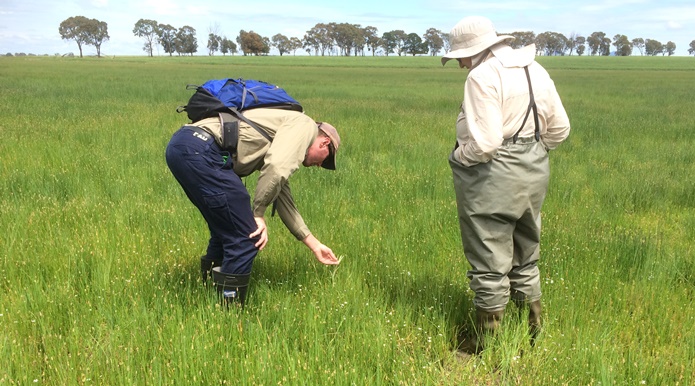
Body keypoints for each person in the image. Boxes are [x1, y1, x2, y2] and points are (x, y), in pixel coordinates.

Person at [442, 16, 570, 352]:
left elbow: (486, 143)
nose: (460, 64)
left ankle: (484, 342)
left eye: (461, 57)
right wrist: (532, 153)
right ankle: (532, 331)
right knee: (526, 253)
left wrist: (460, 157)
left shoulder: (482, 75)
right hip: (535, 169)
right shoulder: (536, 69)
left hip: (493, 175)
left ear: (476, 50)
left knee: (488, 255)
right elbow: (560, 130)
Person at [165, 108, 341, 307]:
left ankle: (208, 295)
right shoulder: (305, 125)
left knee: (226, 230)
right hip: (203, 150)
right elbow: (276, 167)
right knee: (247, 237)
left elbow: (281, 194)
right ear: (325, 142)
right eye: (325, 159)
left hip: (183, 146)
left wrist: (315, 245)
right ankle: (228, 312)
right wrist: (258, 213)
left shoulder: (285, 131)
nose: (320, 165)